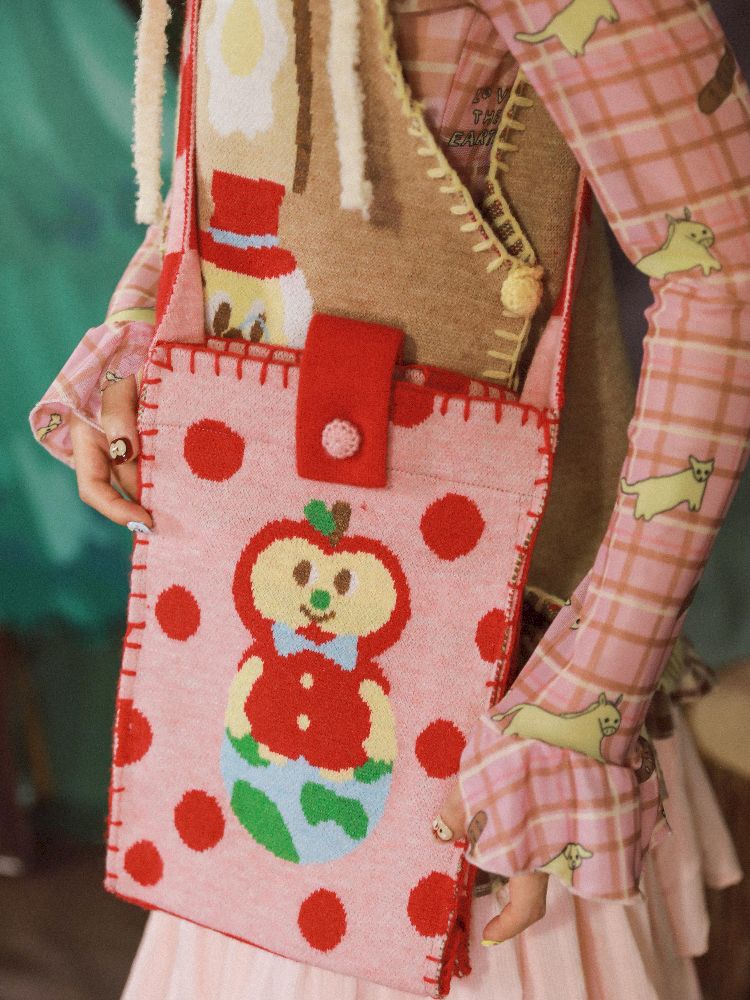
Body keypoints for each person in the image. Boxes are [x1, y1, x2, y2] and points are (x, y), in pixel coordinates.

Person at [30, 0, 748, 996]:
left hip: (492, 692)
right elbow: (253, 147)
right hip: (243, 647)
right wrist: (142, 319)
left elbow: (725, 267)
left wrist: (586, 699)